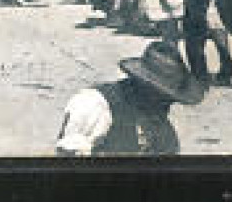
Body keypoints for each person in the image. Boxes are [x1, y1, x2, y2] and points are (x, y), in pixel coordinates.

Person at [55, 40, 207, 155]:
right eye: (163, 98)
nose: (166, 107)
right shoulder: (96, 104)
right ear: (143, 86)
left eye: (171, 99)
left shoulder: (165, 133)